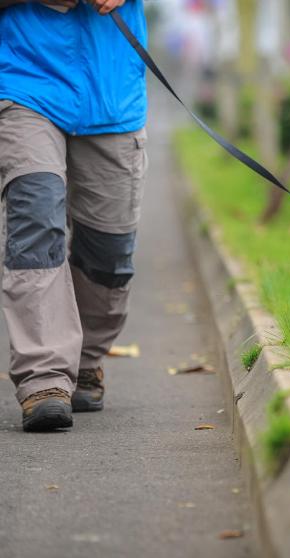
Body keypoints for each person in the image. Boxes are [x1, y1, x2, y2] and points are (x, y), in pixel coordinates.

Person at [0, 0, 148, 431]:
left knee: (110, 251)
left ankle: (86, 361)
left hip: (114, 97)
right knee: (35, 225)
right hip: (24, 86)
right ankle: (44, 376)